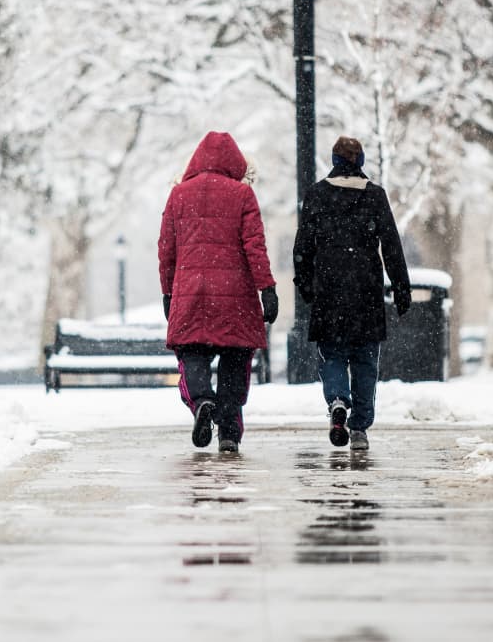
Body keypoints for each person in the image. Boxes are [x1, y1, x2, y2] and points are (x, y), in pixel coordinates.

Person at [159, 131, 278, 453]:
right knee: (235, 359)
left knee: (193, 353)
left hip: (191, 292)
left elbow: (166, 250)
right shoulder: (242, 194)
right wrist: (266, 287)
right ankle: (228, 433)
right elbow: (255, 246)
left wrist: (168, 293)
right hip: (235, 293)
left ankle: (201, 401)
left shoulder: (178, 195)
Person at [293, 136, 411, 452]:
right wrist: (401, 288)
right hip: (366, 290)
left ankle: (336, 400)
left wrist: (306, 286)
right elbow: (392, 245)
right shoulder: (375, 196)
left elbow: (302, 247)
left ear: (333, 161)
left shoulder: (317, 195)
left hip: (329, 290)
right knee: (365, 360)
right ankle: (359, 427)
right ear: (361, 162)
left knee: (332, 355)